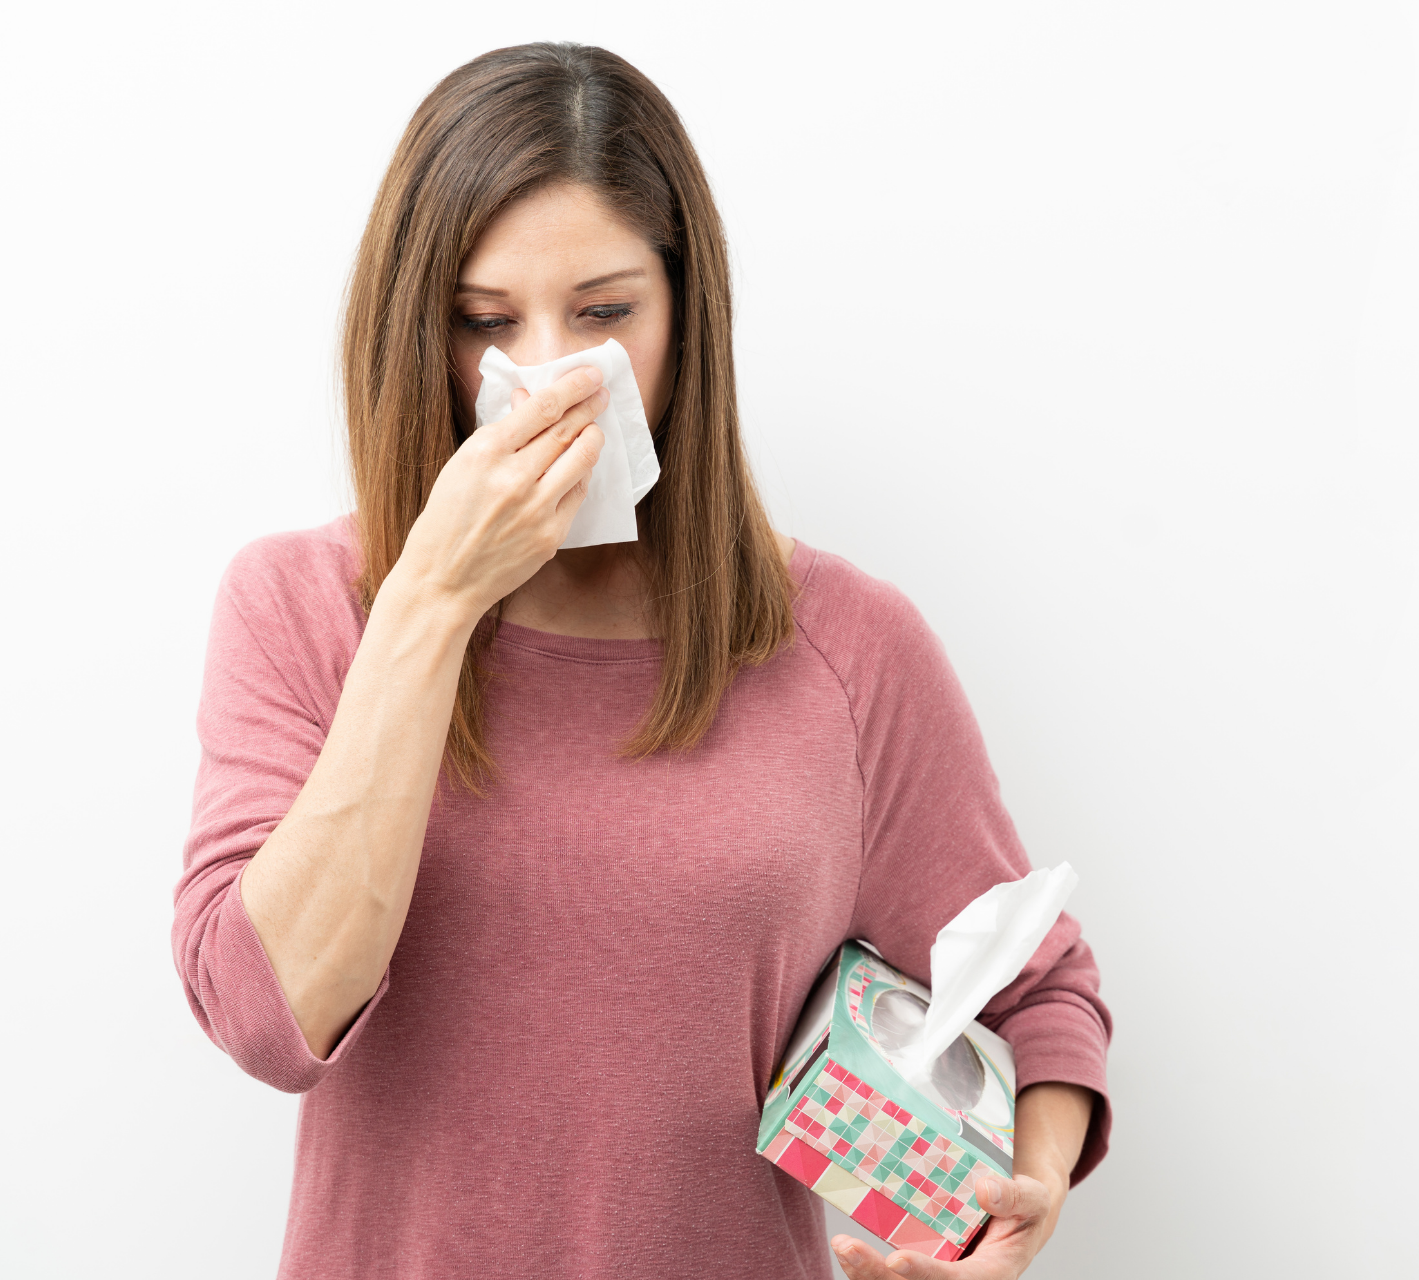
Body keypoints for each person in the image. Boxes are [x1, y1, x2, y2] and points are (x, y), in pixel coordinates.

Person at [172, 42, 1111, 1280]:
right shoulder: (301, 607)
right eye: (486, 323)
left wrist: (1021, 1193)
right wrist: (434, 599)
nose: (555, 372)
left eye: (605, 313)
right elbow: (264, 1015)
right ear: (420, 335)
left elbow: (1037, 994)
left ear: (685, 315)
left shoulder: (845, 646)